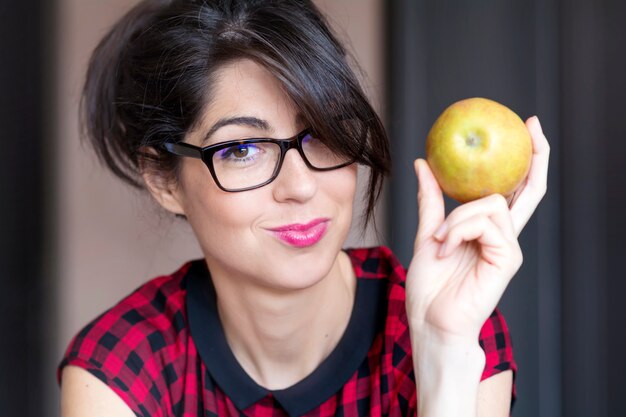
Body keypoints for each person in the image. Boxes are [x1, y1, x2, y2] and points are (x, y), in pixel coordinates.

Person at [58, 1, 550, 416]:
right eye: (241, 150)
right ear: (165, 181)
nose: (300, 185)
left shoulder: (455, 325)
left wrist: (443, 353)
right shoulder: (123, 365)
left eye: (323, 131)